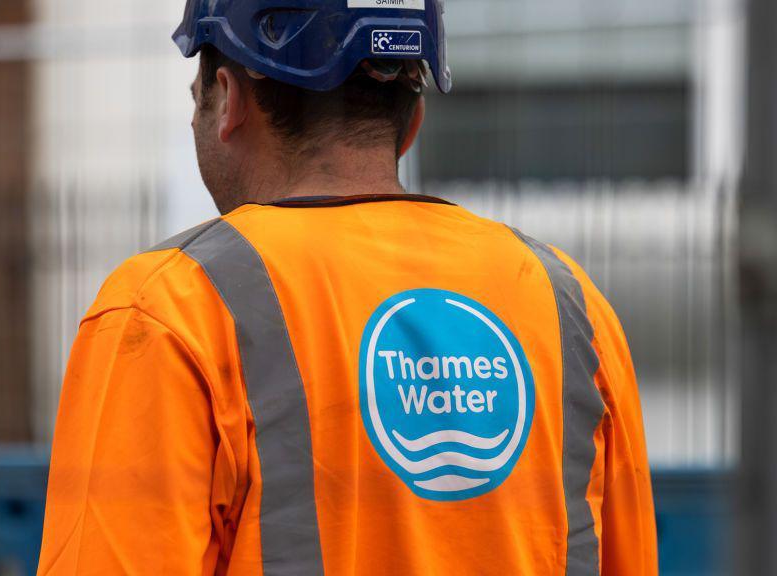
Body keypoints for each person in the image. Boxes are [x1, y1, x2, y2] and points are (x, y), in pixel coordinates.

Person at [37, 0, 658, 574]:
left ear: (227, 101)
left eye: (195, 97)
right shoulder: (568, 306)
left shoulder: (168, 311)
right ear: (411, 120)